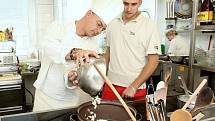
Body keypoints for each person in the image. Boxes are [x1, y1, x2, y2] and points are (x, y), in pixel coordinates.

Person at [33, 10, 106, 112]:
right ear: (89, 13)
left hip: (75, 102)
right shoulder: (59, 27)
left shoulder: (93, 45)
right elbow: (48, 47)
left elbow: (80, 72)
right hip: (48, 99)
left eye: (103, 29)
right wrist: (75, 52)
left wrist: (73, 76)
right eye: (99, 24)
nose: (99, 31)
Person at [102, 0, 161, 101]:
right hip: (111, 85)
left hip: (135, 88)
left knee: (136, 116)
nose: (129, 9)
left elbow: (154, 61)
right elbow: (108, 53)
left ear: (140, 3)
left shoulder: (149, 26)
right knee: (104, 115)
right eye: (126, 3)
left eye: (133, 4)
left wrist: (134, 86)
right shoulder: (112, 23)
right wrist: (102, 77)